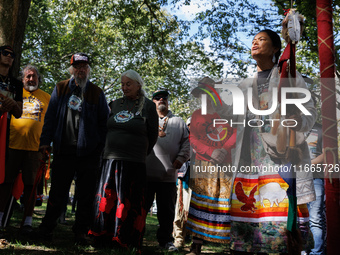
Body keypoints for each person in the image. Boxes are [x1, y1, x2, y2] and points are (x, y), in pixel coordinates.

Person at [216, 29, 316, 254]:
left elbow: (309, 110)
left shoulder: (288, 78)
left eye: (261, 40)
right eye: (253, 40)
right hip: (247, 156)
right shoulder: (244, 84)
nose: (255, 43)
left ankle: (278, 247)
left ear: (275, 49)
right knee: (247, 206)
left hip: (277, 155)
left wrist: (297, 120)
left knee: (278, 204)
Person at [38, 53, 109, 244]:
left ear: (88, 69)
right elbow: (50, 117)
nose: (81, 70)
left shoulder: (96, 92)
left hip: (88, 153)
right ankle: (46, 228)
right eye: (77, 67)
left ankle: (81, 232)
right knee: (57, 193)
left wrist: (99, 147)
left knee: (86, 195)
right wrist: (45, 141)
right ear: (71, 69)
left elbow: (105, 123)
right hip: (64, 150)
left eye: (84, 67)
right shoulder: (60, 88)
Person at [88, 70, 158, 253]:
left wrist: (139, 152)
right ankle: (102, 236)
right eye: (122, 84)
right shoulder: (114, 104)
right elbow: (104, 128)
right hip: (110, 160)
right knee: (108, 199)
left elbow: (153, 136)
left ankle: (125, 238)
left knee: (129, 202)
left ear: (138, 85)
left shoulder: (148, 107)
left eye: (128, 84)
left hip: (134, 163)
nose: (124, 87)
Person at [185, 77, 237, 255]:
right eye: (202, 94)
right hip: (203, 163)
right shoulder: (197, 114)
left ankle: (230, 246)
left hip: (225, 164)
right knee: (201, 202)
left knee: (225, 202)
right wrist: (210, 151)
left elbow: (236, 132)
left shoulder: (227, 113)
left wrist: (223, 149)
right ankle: (196, 245)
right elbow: (193, 139)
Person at [0, 65, 50, 235]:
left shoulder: (47, 97)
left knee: (31, 186)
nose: (31, 79)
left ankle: (27, 222)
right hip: (11, 145)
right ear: (22, 79)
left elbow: (51, 123)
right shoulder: (15, 93)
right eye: (27, 76)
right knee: (5, 182)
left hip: (35, 148)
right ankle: (0, 218)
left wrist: (47, 143)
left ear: (38, 79)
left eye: (34, 76)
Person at [145, 89, 190, 252]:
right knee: (141, 209)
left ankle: (165, 241)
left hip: (168, 175)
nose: (161, 99)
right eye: (157, 98)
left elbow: (187, 142)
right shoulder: (146, 119)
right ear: (152, 102)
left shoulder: (179, 121)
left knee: (167, 212)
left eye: (164, 97)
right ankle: (135, 237)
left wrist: (180, 158)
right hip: (145, 174)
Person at [0, 45, 23, 235]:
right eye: (5, 53)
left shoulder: (16, 84)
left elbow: (19, 112)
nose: (8, 57)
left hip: (7, 136)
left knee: (4, 176)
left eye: (12, 55)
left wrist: (13, 103)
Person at [306, 122, 326, 255]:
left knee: (315, 218)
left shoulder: (321, 129)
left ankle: (317, 252)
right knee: (300, 218)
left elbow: (326, 154)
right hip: (295, 178)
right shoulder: (293, 126)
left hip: (315, 178)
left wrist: (306, 165)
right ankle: (302, 249)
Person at [173, 117, 192, 248]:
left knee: (190, 209)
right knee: (180, 208)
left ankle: (187, 235)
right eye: (190, 125)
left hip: (198, 178)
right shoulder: (183, 140)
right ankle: (178, 237)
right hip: (182, 177)